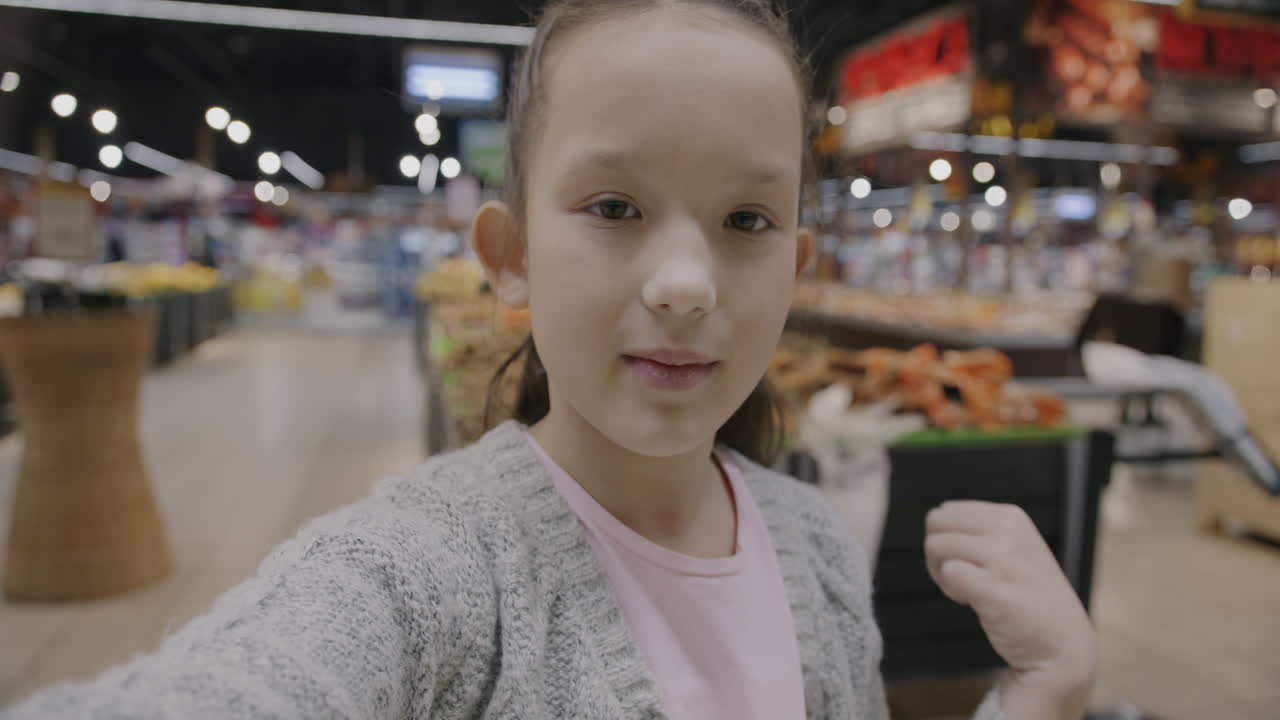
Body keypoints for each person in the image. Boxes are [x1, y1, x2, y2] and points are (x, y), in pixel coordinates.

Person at [3, 1, 1095, 718]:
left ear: (798, 267)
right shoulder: (434, 567)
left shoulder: (810, 543)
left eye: (746, 220)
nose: (685, 281)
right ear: (510, 257)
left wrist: (1035, 693)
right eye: (613, 206)